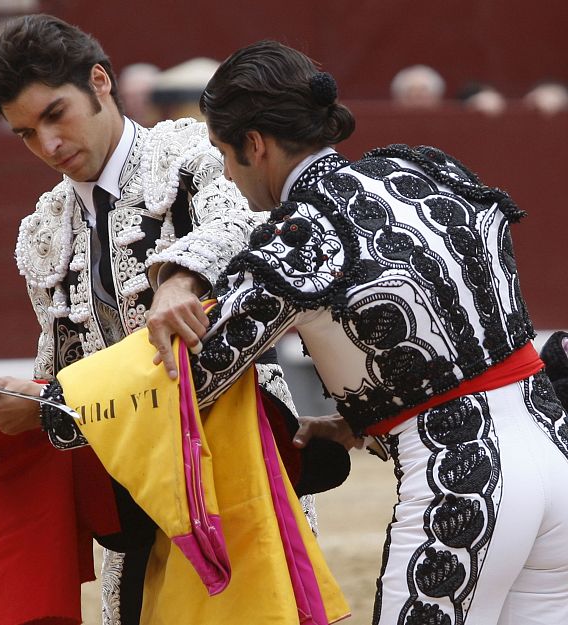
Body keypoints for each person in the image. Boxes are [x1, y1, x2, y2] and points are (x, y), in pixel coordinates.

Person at [40, 39, 568, 624]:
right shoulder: (419, 170)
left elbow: (188, 371)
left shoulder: (300, 240)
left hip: (462, 477)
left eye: (223, 152)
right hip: (554, 447)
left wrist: (52, 408)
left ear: (256, 146)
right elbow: (466, 342)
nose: (227, 174)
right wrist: (359, 418)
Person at [0, 15, 322, 625]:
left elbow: (248, 225)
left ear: (99, 82)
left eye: (57, 114)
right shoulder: (43, 232)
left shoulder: (189, 153)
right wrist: (37, 401)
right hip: (132, 481)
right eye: (26, 133)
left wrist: (181, 275)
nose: (49, 145)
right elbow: (65, 372)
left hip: (236, 453)